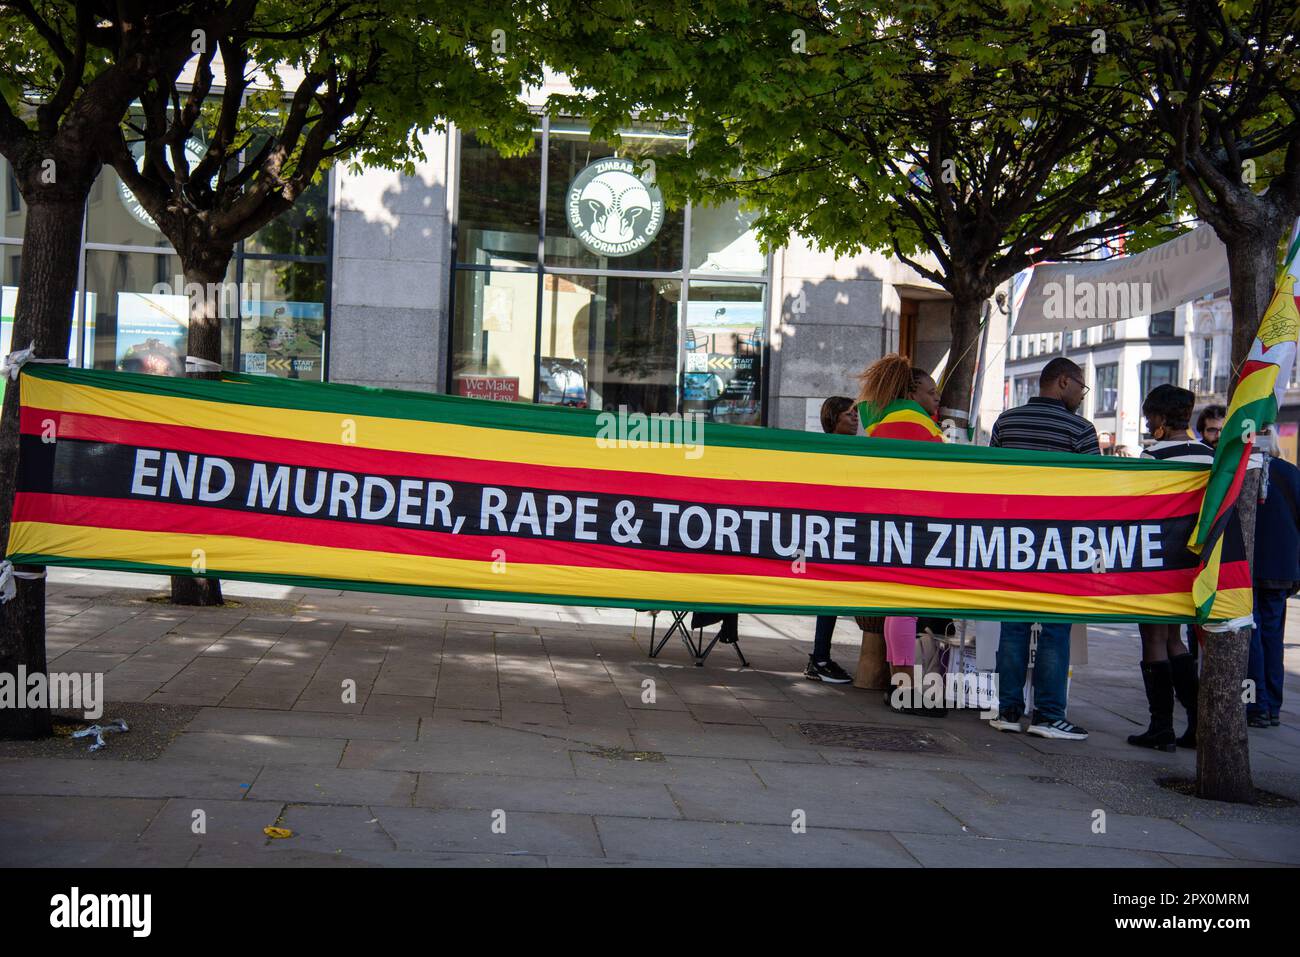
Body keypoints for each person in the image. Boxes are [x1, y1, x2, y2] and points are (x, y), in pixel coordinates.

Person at [986, 357, 1096, 740]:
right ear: (1063, 382)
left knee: (1012, 628)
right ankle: (1050, 716)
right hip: (1060, 545)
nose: (1082, 396)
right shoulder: (1081, 430)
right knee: (1054, 629)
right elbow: (1092, 492)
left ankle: (1008, 711)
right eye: (1081, 388)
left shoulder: (1006, 422)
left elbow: (991, 481)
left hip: (1013, 540)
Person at [856, 354, 947, 715]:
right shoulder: (912, 421)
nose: (936, 398)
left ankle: (899, 684)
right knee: (905, 608)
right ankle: (904, 686)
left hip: (892, 522)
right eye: (931, 392)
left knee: (898, 606)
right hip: (911, 523)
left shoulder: (886, 421)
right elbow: (935, 474)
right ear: (912, 392)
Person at [1125, 384, 1212, 750]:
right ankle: (1195, 725)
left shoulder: (1153, 458)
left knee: (1154, 638)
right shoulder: (1211, 458)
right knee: (1177, 638)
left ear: (1160, 419)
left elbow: (1139, 511)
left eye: (1149, 418)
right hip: (1196, 563)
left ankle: (1160, 726)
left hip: (1158, 560)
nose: (1148, 425)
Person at [804, 397, 859, 683]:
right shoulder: (828, 449)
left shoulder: (857, 448)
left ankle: (820, 656)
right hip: (831, 533)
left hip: (843, 531)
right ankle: (820, 658)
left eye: (857, 413)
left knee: (834, 597)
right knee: (830, 597)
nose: (855, 418)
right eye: (850, 414)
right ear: (834, 418)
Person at [1248, 429, 1299, 729]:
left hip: (1249, 567)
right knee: (1272, 637)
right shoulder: (1291, 473)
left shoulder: (1242, 473)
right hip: (1281, 568)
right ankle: (1273, 706)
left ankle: (1257, 705)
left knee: (1251, 636)